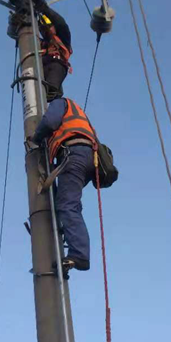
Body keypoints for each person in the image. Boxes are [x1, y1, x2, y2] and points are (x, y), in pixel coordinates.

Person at [31, 94, 98, 273]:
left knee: (67, 205)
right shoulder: (78, 113)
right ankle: (74, 239)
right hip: (85, 157)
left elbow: (49, 122)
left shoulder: (61, 103)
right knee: (69, 203)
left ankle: (79, 254)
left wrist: (35, 138)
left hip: (74, 154)